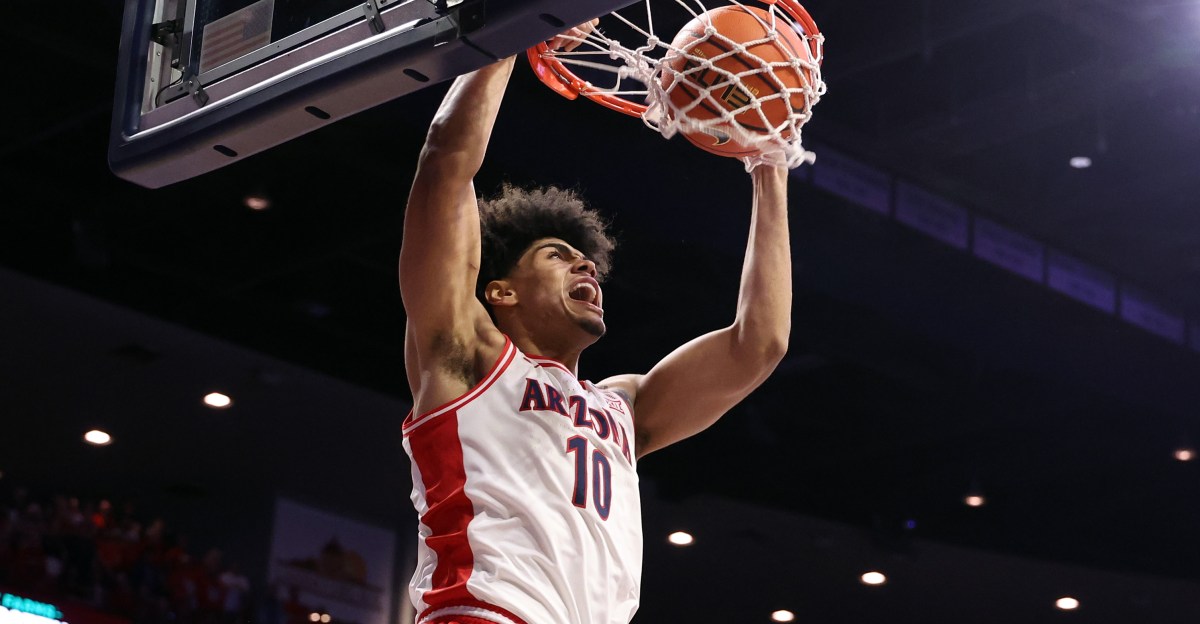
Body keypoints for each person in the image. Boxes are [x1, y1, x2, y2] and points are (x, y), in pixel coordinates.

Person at [398, 21, 793, 624]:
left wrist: (769, 166)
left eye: (585, 259)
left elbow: (759, 344)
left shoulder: (622, 406)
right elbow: (445, 163)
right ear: (500, 291)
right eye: (555, 256)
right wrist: (514, 29)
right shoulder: (465, 353)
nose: (585, 264)